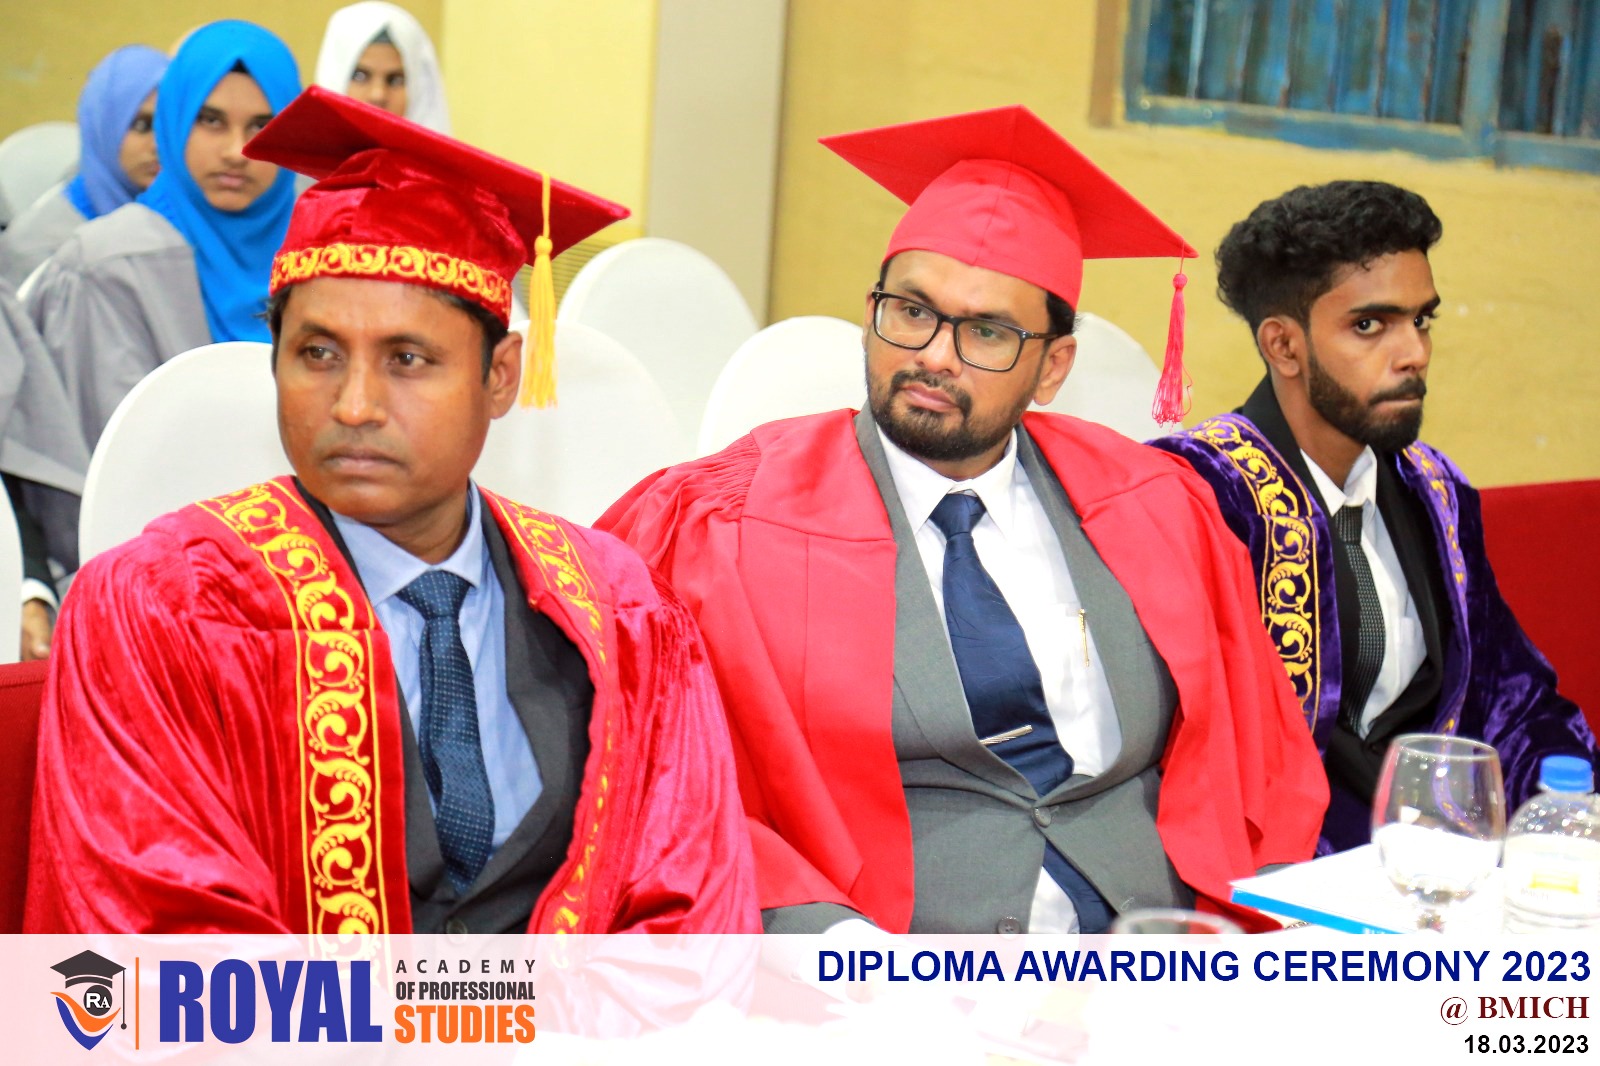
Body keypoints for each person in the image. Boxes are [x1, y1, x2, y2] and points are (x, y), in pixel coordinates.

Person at [25, 86, 758, 936]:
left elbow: (692, 916)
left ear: (500, 377)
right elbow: (158, 944)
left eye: (407, 359)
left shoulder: (621, 611)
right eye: (317, 353)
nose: (354, 405)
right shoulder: (158, 610)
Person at [597, 106, 1326, 934]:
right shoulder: (720, 526)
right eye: (911, 312)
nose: (935, 356)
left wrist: (1268, 923)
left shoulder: (1155, 504)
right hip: (886, 964)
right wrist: (824, 943)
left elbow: (1258, 754)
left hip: (1154, 949)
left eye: (986, 332)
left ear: (1053, 368)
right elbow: (665, 775)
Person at [1150, 181, 1596, 851]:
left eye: (1422, 320)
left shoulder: (1436, 492)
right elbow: (1180, 748)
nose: (1413, 353)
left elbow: (1514, 697)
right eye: (1370, 325)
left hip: (1435, 860)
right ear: (1284, 346)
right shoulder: (1200, 496)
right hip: (1272, 873)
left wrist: (1565, 824)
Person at [26, 20, 299, 469]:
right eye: (211, 121)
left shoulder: (322, 250)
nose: (237, 151)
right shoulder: (108, 265)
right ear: (174, 123)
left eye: (262, 125)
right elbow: (116, 465)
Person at [0, 45, 169, 288]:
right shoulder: (41, 254)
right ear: (102, 129)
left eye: (169, 126)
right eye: (142, 126)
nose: (159, 145)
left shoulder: (185, 218)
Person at [314, 2, 450, 132]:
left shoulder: (436, 151)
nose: (378, 95)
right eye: (360, 76)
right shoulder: (306, 148)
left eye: (395, 80)